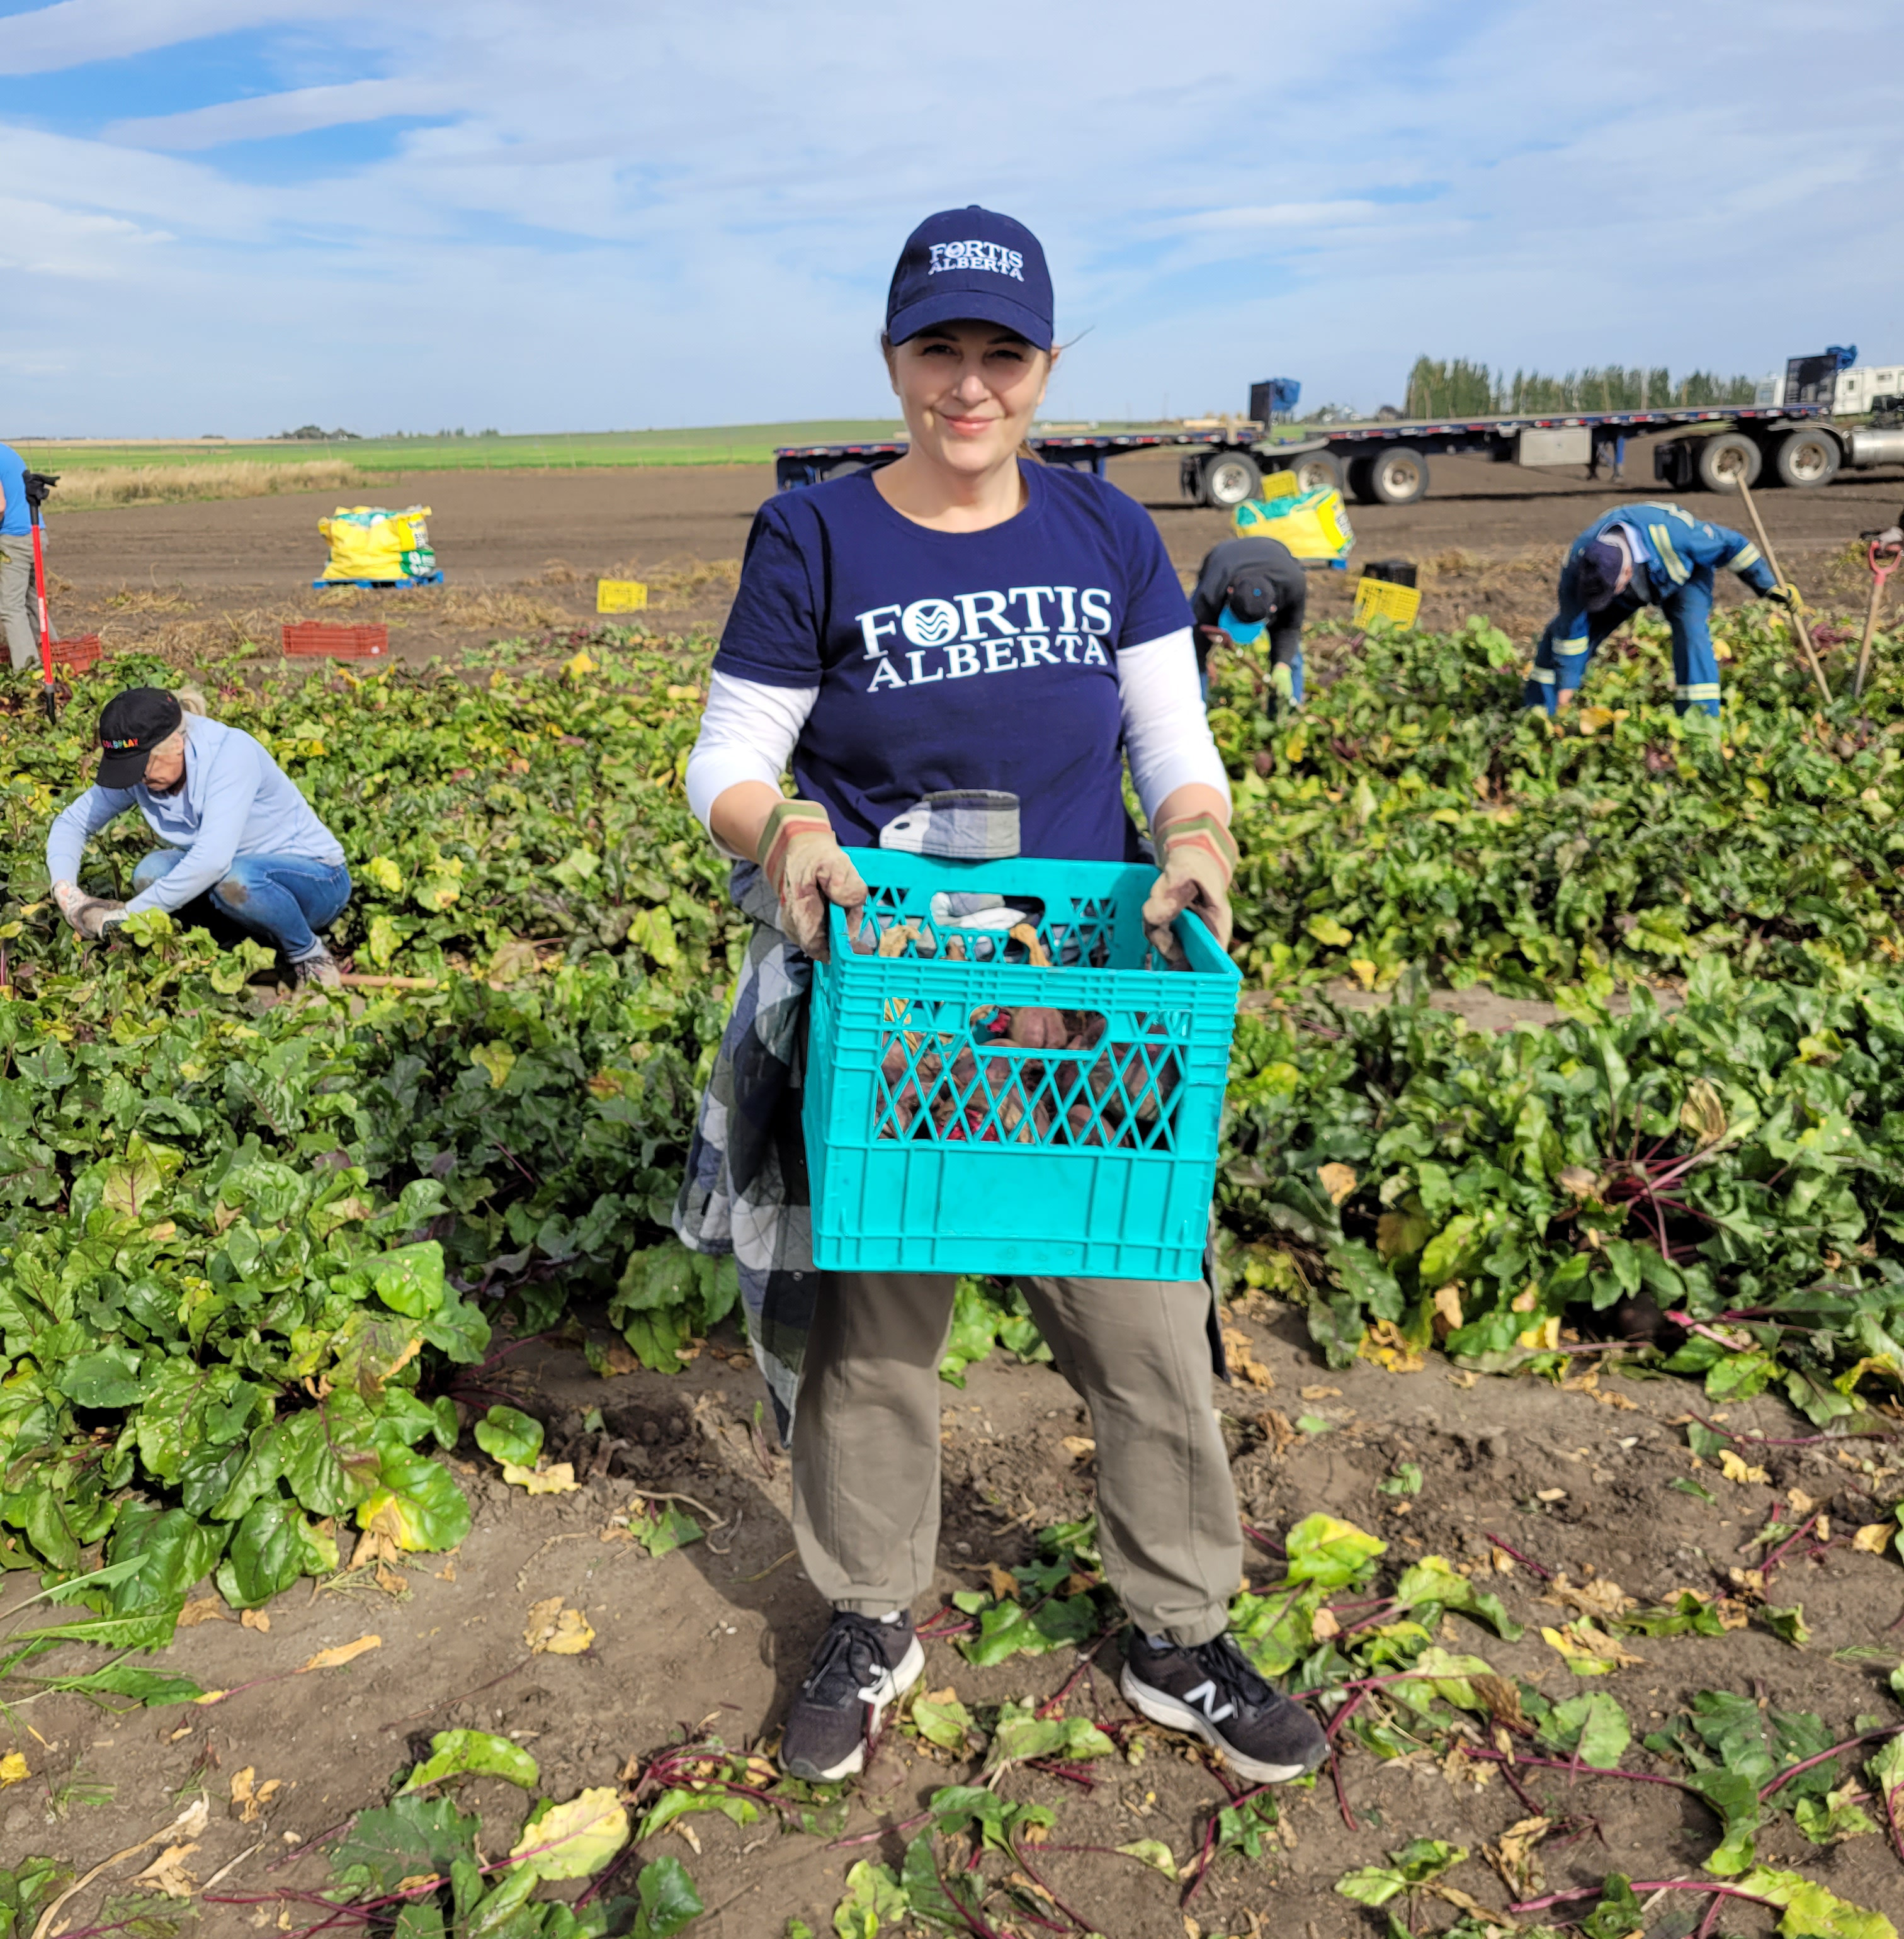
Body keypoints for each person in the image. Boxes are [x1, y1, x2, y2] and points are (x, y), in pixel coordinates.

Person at [674, 205, 1326, 1790]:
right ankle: (870, 1612)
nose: (971, 387)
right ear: (895, 358)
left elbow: (1173, 746)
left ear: (1047, 365)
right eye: (939, 351)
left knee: (1141, 1324)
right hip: (897, 992)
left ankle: (1178, 1632)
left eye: (1004, 354)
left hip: (1078, 996)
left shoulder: (1103, 531)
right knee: (879, 1335)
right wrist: (792, 832)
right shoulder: (817, 536)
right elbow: (729, 765)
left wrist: (1197, 836)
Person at [45, 685, 352, 986]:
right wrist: (66, 890)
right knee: (150, 872)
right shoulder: (146, 768)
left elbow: (211, 862)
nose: (137, 779)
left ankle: (307, 953)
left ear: (176, 744)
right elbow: (72, 823)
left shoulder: (230, 754)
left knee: (236, 879)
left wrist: (128, 915)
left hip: (315, 884)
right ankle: (230, 943)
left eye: (142, 767)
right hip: (232, 884)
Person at [1525, 500, 1788, 718]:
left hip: (1684, 579)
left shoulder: (1677, 536)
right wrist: (1567, 687)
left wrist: (1768, 587)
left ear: (1627, 573)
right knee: (1560, 633)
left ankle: (1701, 720)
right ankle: (1538, 711)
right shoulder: (1578, 564)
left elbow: (1735, 546)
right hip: (1630, 589)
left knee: (1691, 632)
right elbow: (1573, 627)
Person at [1189, 530, 1306, 706]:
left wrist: (1282, 665)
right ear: (1229, 593)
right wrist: (1202, 660)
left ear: (1273, 609)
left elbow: (1289, 629)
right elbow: (1194, 632)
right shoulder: (1213, 589)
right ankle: (1195, 711)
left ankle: (1289, 711)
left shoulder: (1294, 584)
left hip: (1277, 552)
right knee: (1192, 659)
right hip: (1222, 556)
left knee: (1290, 659)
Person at [0, 439, 36, 672]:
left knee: (10, 607)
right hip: (34, 534)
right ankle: (58, 655)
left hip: (14, 538)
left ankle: (28, 673)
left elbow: (0, 507)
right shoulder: (6, 451)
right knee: (33, 602)